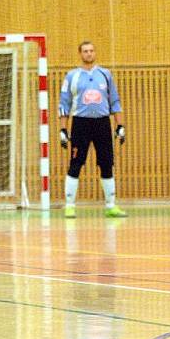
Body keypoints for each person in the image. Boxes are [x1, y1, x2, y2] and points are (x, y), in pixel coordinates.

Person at [58, 41, 126, 218]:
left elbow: (115, 101)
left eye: (91, 51)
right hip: (80, 124)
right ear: (80, 54)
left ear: (95, 53)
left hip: (102, 123)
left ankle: (111, 206)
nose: (89, 54)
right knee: (76, 163)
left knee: (106, 163)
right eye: (85, 51)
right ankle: (70, 205)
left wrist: (120, 125)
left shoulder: (105, 74)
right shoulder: (72, 76)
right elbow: (64, 104)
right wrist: (63, 130)